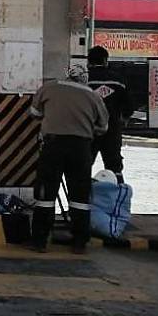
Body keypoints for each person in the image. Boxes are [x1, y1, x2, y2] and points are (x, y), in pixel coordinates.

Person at [29, 64, 109, 254]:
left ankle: (39, 241)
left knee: (45, 194)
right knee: (80, 196)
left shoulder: (49, 88)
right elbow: (103, 127)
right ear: (85, 78)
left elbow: (35, 113)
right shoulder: (93, 96)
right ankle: (79, 242)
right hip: (81, 148)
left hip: (53, 146)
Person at [87, 46, 132, 184]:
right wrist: (124, 118)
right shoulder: (118, 80)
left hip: (88, 129)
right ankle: (118, 191)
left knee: (84, 164)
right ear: (105, 60)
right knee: (114, 165)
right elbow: (129, 105)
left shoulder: (84, 80)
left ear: (89, 61)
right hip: (112, 129)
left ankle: (82, 194)